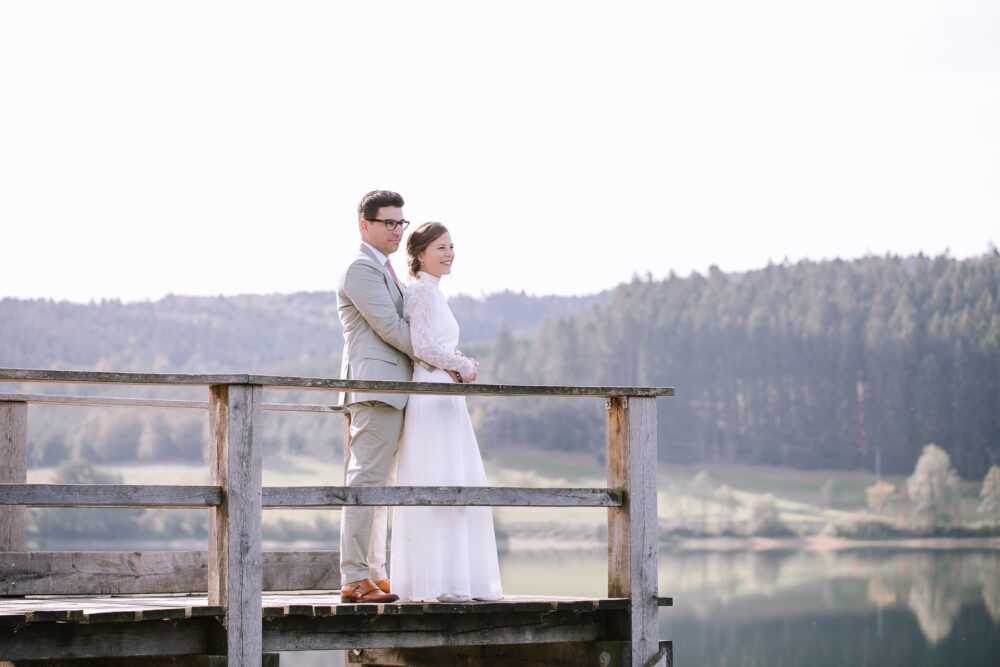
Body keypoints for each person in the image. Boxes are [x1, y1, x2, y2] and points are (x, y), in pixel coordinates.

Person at [389, 222, 504, 602]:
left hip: (444, 394)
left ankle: (451, 579)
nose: (450, 253)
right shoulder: (422, 291)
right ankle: (433, 582)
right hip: (433, 393)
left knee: (453, 474)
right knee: (437, 473)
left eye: (452, 246)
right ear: (420, 254)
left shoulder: (432, 292)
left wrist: (455, 362)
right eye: (441, 247)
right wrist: (463, 364)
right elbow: (422, 345)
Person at [336, 189, 414, 603]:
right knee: (364, 483)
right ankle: (352, 578)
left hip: (394, 392)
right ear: (364, 225)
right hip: (375, 392)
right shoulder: (360, 269)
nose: (397, 230)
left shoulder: (385, 268)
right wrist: (442, 357)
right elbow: (390, 328)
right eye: (388, 222)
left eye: (400, 222)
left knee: (380, 486)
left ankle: (375, 572)